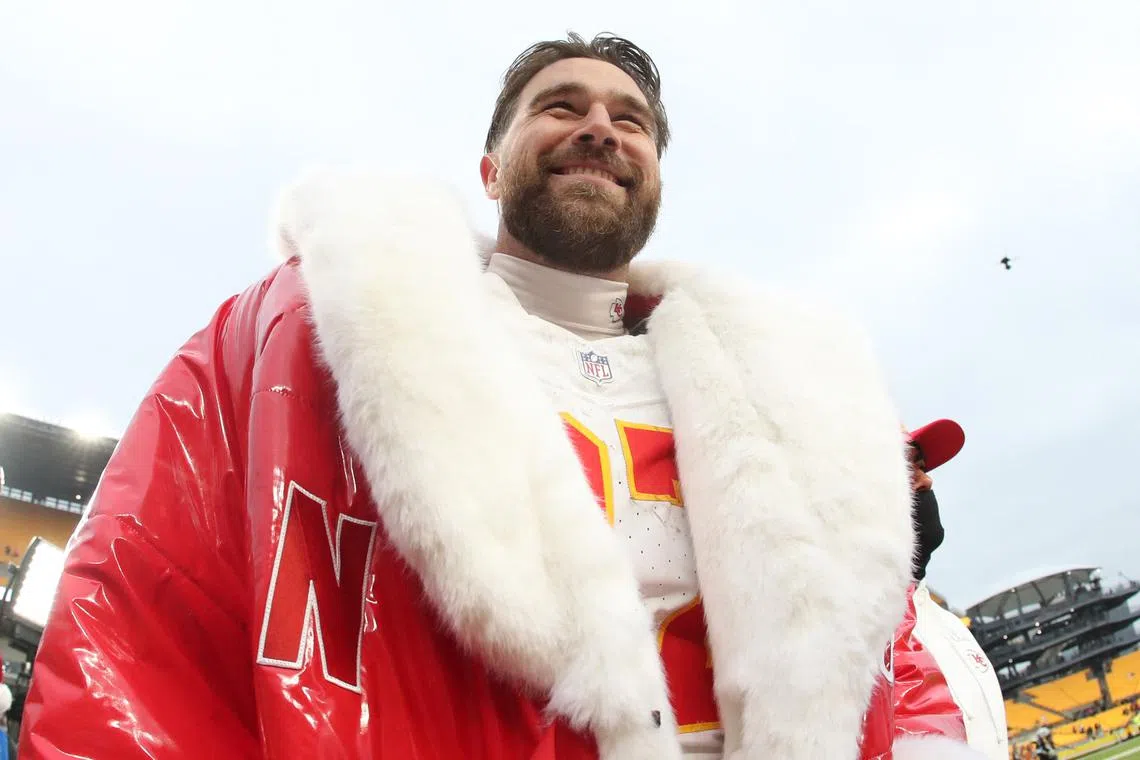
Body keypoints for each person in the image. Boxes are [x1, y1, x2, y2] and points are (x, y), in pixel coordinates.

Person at [20, 33, 980, 759]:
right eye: (559, 106)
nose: (600, 126)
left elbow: (888, 658)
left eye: (629, 119)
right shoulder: (315, 332)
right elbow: (141, 620)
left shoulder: (789, 399)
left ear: (653, 182)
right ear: (489, 169)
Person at [893, 420, 1009, 760]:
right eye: (903, 465)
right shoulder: (853, 623)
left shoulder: (947, 622)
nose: (926, 480)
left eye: (921, 466)